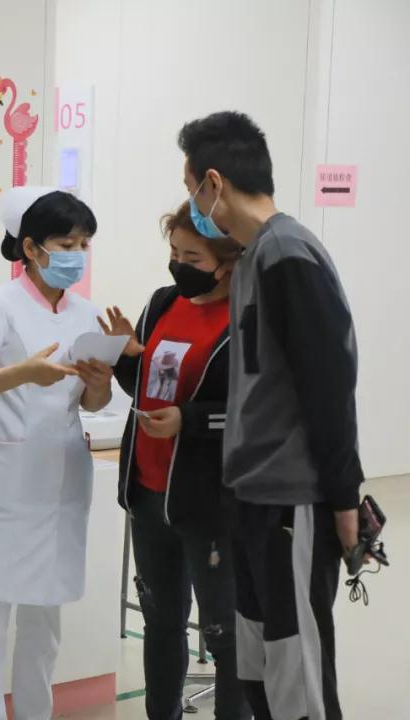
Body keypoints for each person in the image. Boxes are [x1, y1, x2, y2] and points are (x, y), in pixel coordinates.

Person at [178, 110, 365, 720]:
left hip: (293, 501)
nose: (194, 206)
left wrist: (344, 498)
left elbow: (329, 384)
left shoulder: (288, 253)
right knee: (260, 672)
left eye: (192, 190)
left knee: (298, 680)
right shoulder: (255, 257)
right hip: (252, 497)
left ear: (214, 182)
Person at [0, 187, 114, 720]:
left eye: (83, 244)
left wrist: (100, 383)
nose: (77, 255)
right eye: (66, 244)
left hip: (59, 483)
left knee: (44, 624)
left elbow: (90, 402)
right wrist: (23, 373)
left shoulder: (87, 313)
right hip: (2, 485)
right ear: (32, 248)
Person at [104, 202, 249, 720]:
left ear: (227, 263)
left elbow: (255, 412)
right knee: (162, 622)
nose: (178, 265)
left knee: (226, 635)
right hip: (148, 492)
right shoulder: (164, 302)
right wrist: (127, 357)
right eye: (173, 253)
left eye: (192, 257)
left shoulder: (248, 320)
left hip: (208, 504)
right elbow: (147, 388)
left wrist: (189, 420)